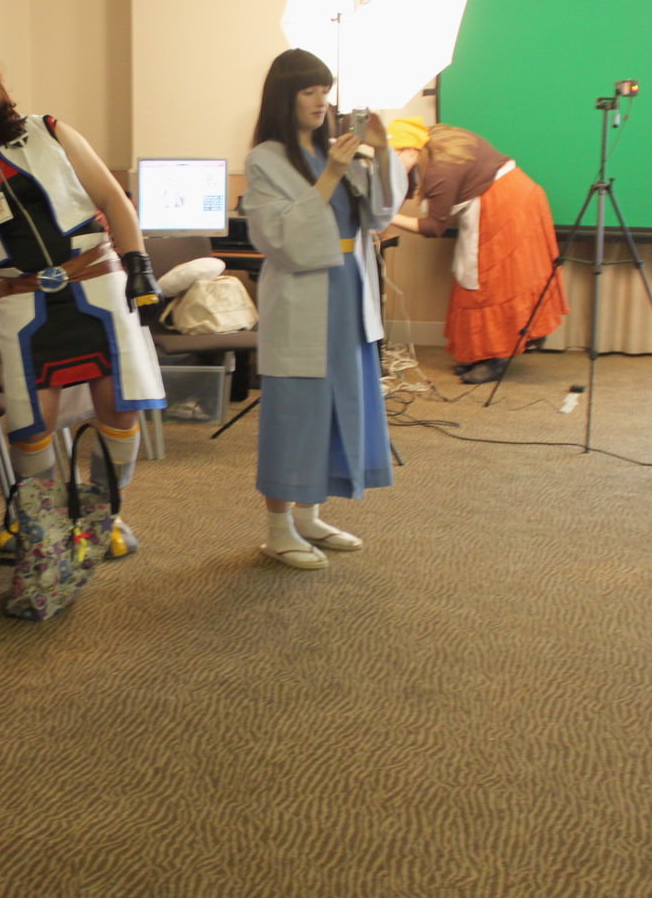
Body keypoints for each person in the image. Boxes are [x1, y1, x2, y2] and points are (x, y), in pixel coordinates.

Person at [0, 46, 163, 554]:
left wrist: (139, 264)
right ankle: (42, 523)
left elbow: (112, 198)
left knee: (119, 408)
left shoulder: (48, 132)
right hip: (25, 302)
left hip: (94, 283)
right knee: (30, 425)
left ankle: (103, 515)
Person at [241, 49, 400, 569]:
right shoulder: (265, 159)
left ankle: (309, 516)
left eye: (325, 91)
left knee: (338, 407)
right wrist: (329, 175)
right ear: (284, 97)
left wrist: (381, 150)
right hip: (302, 295)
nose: (320, 101)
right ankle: (278, 528)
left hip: (348, 291)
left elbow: (381, 214)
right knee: (296, 412)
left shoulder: (339, 151)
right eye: (308, 91)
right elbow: (280, 238)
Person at [383, 121, 567, 384]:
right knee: (482, 278)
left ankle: (495, 358)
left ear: (411, 150)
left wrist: (387, 217)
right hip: (515, 195)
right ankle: (486, 352)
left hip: (504, 206)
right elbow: (408, 186)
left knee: (489, 281)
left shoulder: (440, 170)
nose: (390, 163)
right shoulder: (433, 141)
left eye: (393, 155)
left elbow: (434, 227)